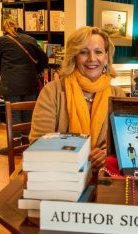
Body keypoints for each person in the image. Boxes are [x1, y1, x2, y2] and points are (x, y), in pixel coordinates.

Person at [29, 26, 126, 174]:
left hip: (106, 176)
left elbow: (125, 143)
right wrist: (79, 156)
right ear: (74, 56)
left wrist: (108, 155)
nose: (92, 59)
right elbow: (38, 142)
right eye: (83, 52)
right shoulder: (52, 91)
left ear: (106, 57)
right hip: (60, 175)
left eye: (98, 52)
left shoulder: (118, 95)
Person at [0, 19, 48, 155]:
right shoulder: (30, 39)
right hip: (30, 82)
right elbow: (43, 59)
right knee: (28, 112)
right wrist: (37, 71)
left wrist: (3, 71)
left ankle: (15, 146)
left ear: (4, 29)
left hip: (11, 84)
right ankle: (27, 143)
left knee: (14, 113)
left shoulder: (2, 40)